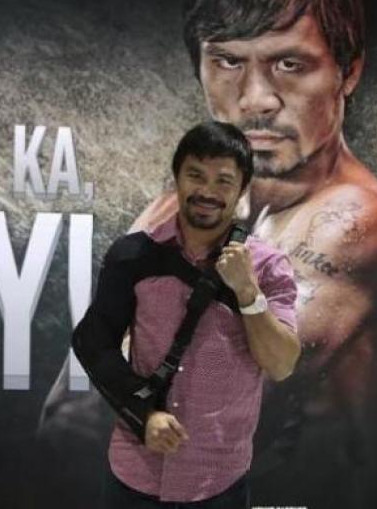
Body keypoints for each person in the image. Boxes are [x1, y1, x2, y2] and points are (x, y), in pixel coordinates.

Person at [39, 0, 377, 508]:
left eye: (290, 65)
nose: (255, 98)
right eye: (226, 60)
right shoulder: (188, 206)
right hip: (140, 483)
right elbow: (71, 405)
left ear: (348, 71)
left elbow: (244, 392)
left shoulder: (354, 225)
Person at [72, 121, 299, 507]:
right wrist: (143, 415)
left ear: (241, 189)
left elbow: (281, 364)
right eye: (196, 175)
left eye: (223, 181)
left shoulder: (268, 266)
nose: (207, 191)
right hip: (135, 474)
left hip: (218, 481)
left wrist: (247, 292)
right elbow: (93, 342)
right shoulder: (134, 255)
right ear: (176, 178)